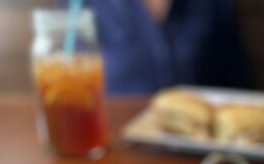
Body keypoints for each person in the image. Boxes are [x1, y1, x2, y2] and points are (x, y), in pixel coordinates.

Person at [79, 0, 251, 94]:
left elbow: (238, 84)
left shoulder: (210, 5)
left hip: (194, 148)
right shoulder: (82, 6)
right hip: (114, 147)